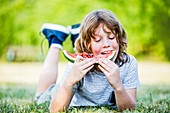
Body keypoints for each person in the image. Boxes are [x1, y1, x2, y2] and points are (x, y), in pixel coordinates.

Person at [35, 9, 140, 112]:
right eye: (98, 40)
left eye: (112, 38)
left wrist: (118, 85)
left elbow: (129, 109)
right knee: (39, 97)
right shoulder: (77, 64)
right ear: (87, 44)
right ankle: (55, 40)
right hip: (58, 93)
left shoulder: (128, 63)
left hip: (89, 48)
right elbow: (55, 110)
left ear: (119, 38)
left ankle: (77, 35)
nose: (107, 44)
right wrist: (70, 80)